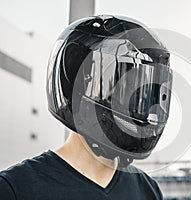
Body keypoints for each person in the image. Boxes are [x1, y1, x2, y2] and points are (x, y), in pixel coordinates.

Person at [0, 15, 173, 200]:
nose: (145, 105)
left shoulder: (148, 191)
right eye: (127, 88)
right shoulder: (15, 189)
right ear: (80, 84)